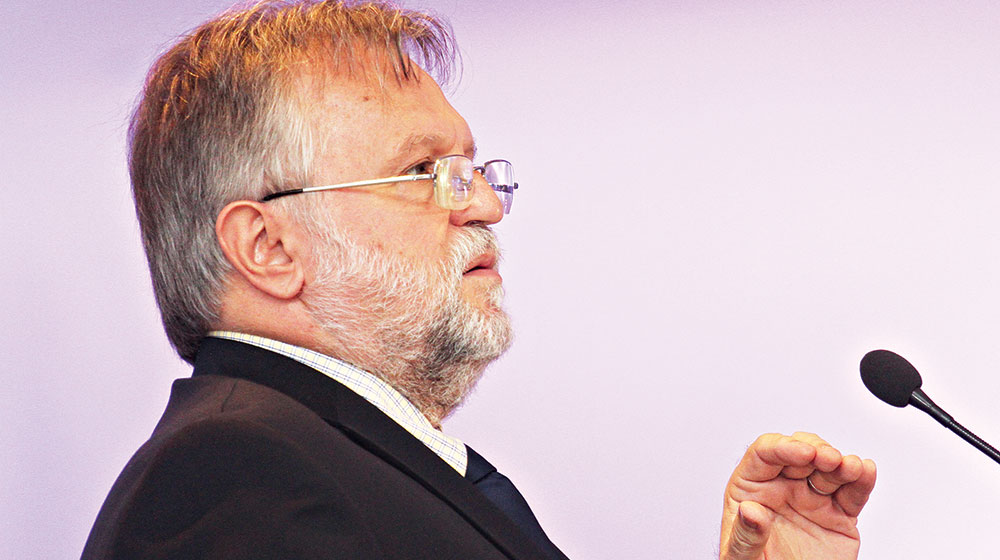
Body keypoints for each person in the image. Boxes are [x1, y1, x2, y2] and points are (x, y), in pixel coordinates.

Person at [82, 1, 877, 559]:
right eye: (422, 171)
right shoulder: (235, 476)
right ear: (269, 247)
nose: (487, 205)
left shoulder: (327, 458)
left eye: (470, 167)